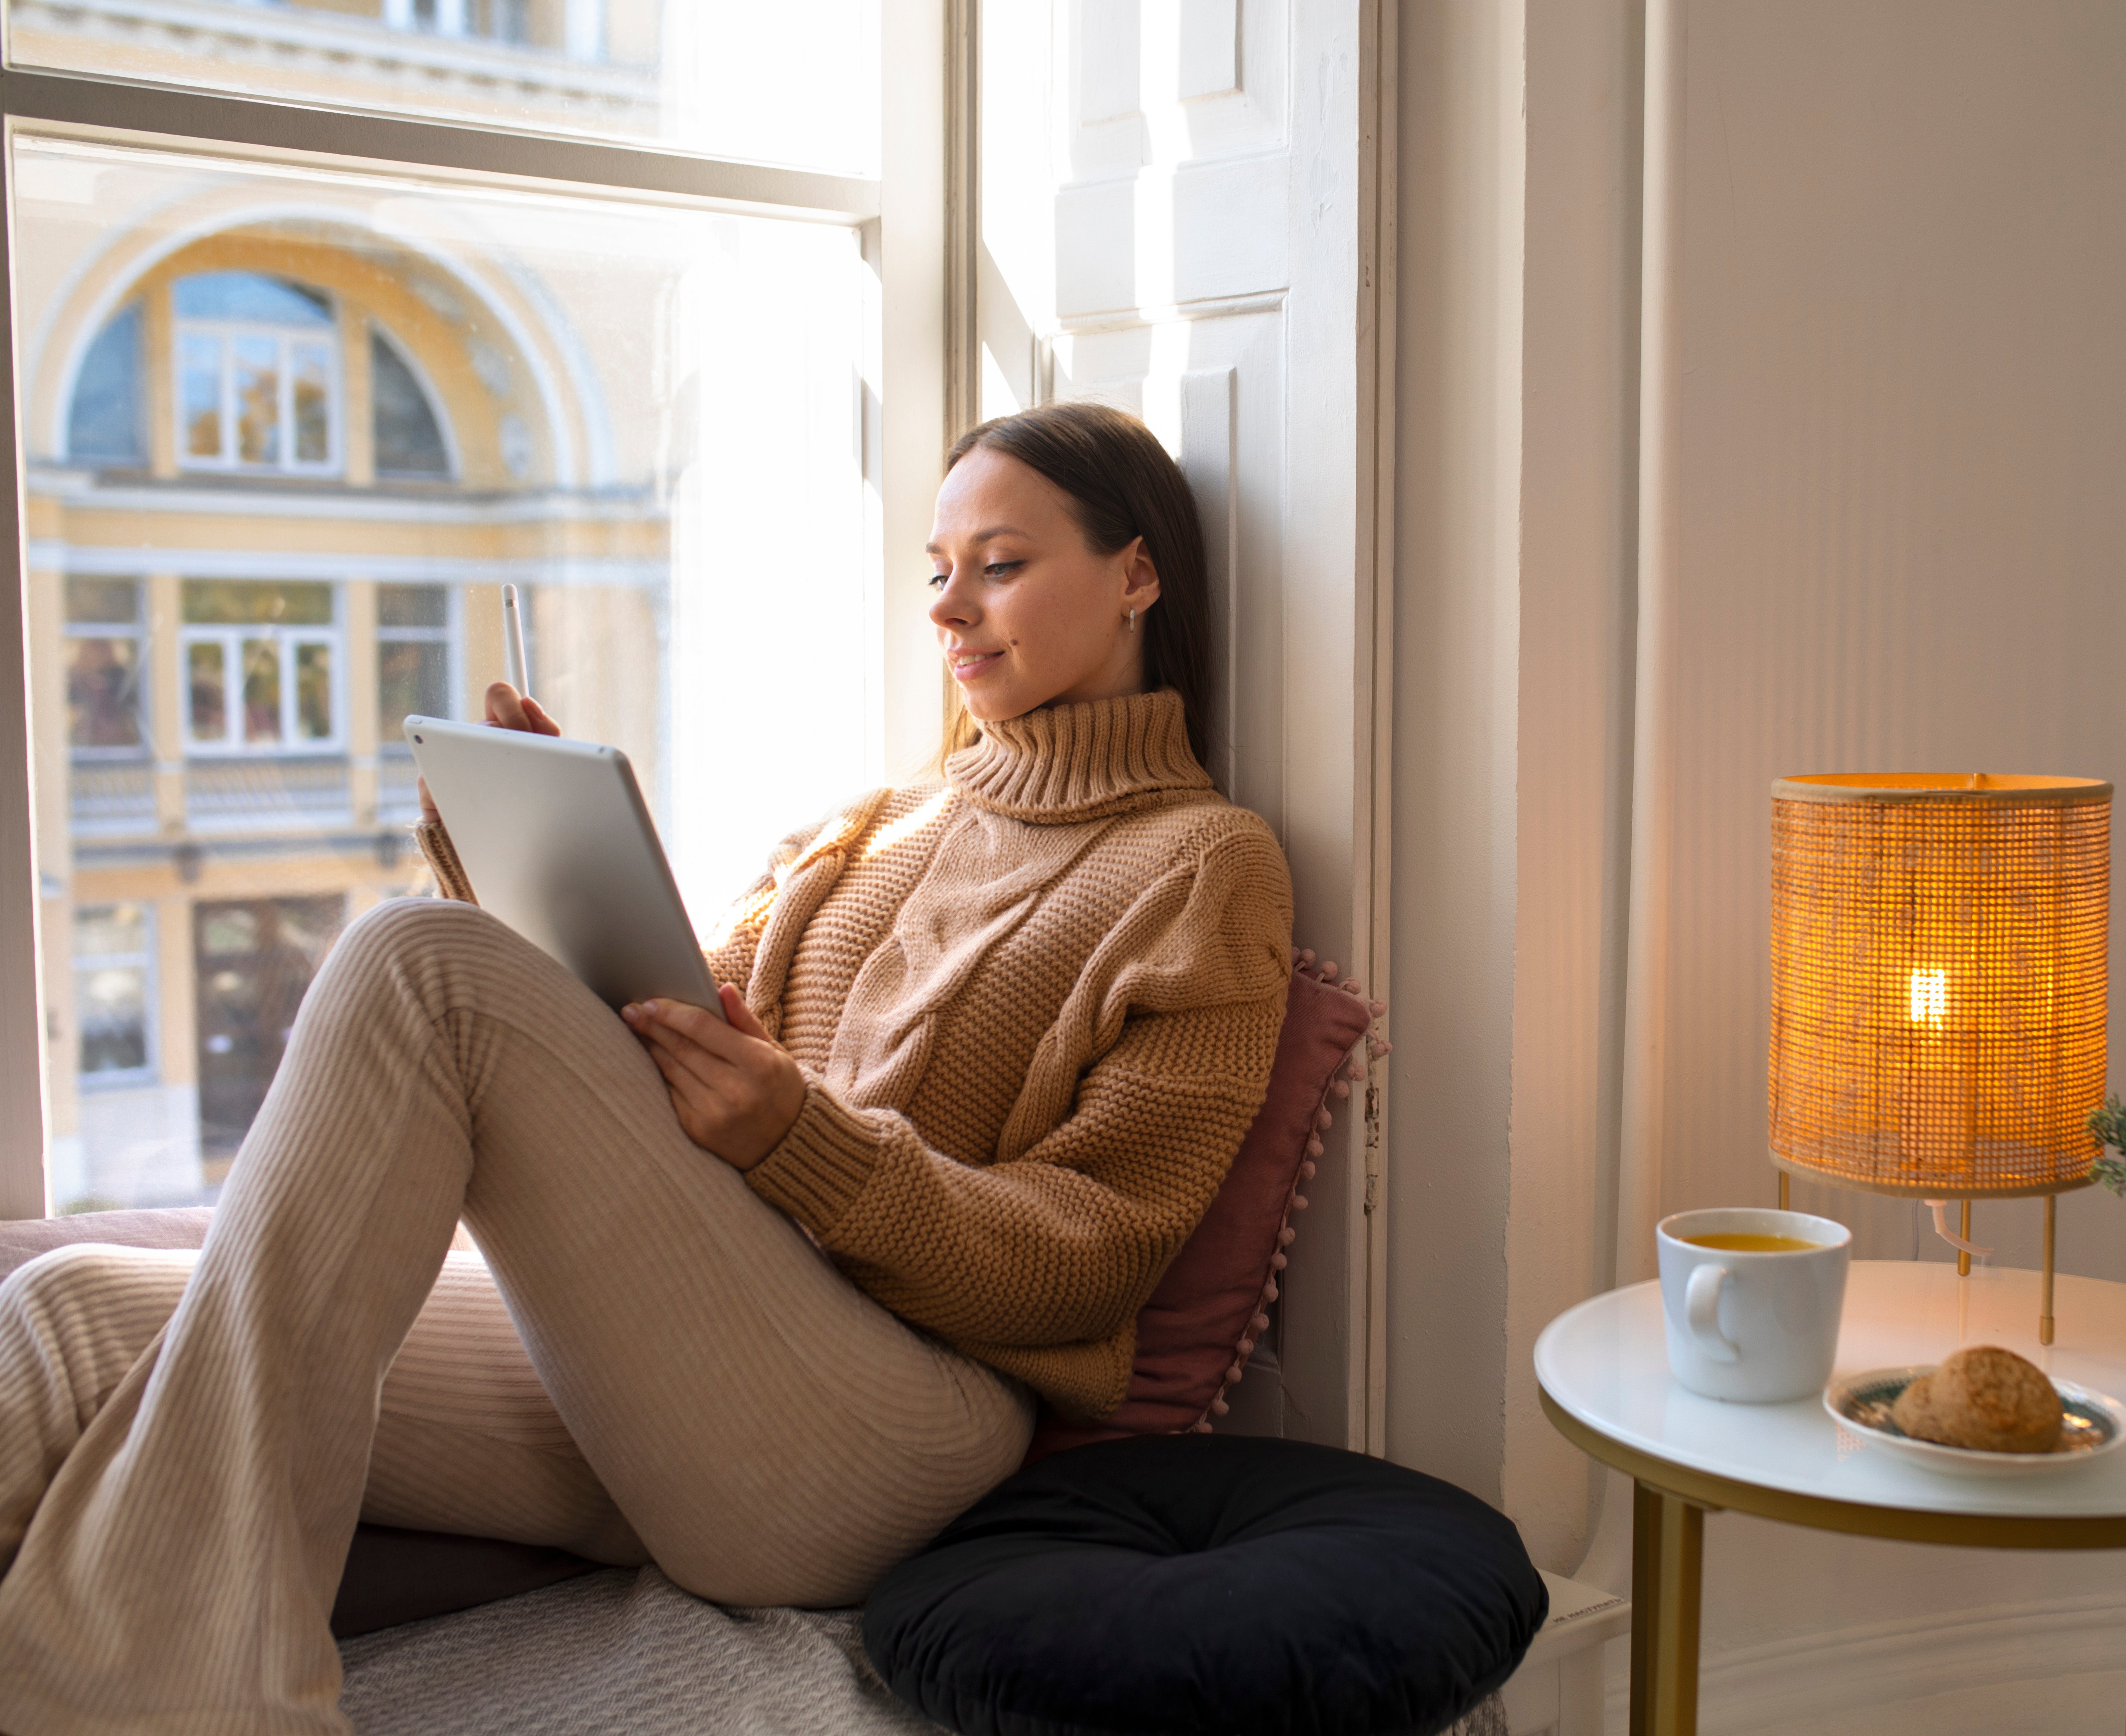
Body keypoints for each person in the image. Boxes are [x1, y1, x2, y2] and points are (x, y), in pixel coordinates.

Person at [0, 402, 1294, 1735]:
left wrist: (802, 1140)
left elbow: (1094, 1254)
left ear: (1137, 574)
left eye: (1001, 566)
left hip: (904, 1424)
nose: (949, 609)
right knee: (71, 1312)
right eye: (937, 571)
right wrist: (521, 870)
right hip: (684, 1365)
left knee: (416, 962)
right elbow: (643, 1045)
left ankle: (201, 1707)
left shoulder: (1205, 864)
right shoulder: (868, 827)